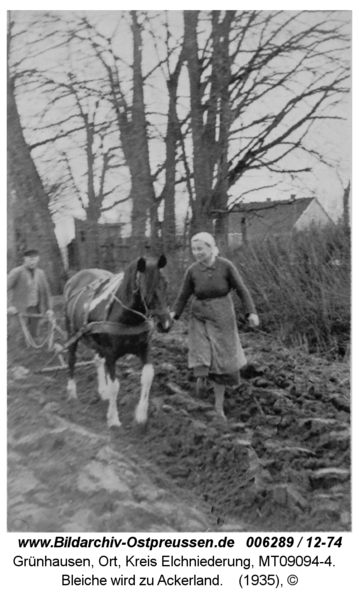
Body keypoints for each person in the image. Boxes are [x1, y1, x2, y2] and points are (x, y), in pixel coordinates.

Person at [171, 232, 259, 418]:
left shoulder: (226, 266)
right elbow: (183, 295)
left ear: (211, 248)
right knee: (201, 350)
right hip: (199, 315)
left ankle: (219, 405)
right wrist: (173, 315)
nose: (197, 252)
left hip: (223, 315)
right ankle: (201, 377)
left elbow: (242, 290)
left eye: (200, 249)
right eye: (194, 249)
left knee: (222, 361)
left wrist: (251, 312)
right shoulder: (192, 271)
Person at [7, 249, 53, 341]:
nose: (32, 262)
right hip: (18, 311)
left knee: (34, 337)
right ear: (25, 259)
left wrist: (49, 309)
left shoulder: (41, 273)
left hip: (35, 311)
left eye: (34, 259)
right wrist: (8, 306)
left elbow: (47, 293)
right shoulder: (17, 272)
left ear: (38, 259)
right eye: (30, 259)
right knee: (15, 337)